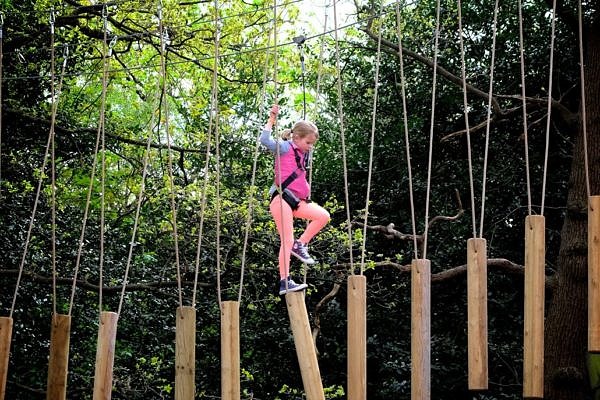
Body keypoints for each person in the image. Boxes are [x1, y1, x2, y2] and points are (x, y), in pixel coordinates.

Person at [260, 105, 330, 295]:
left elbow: (305, 143)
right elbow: (264, 140)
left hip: (297, 201)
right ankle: (285, 281)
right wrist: (272, 118)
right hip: (281, 199)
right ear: (297, 138)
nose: (310, 147)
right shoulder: (284, 147)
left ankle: (301, 244)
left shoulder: (303, 152)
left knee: (323, 216)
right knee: (287, 240)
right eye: (308, 142)